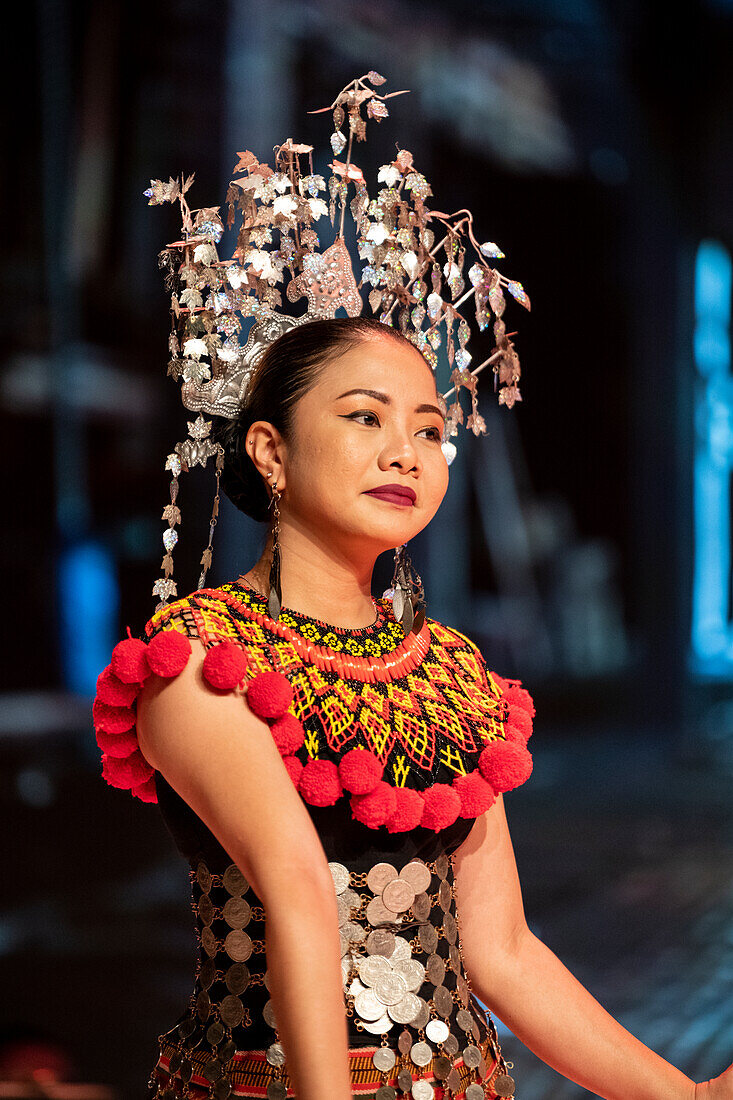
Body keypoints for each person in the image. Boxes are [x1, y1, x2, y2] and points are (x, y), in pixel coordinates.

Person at [92, 73, 732, 1100]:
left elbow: (503, 949)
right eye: (362, 416)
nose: (407, 450)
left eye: (429, 428)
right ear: (268, 449)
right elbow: (301, 900)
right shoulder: (206, 661)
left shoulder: (447, 673)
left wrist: (686, 1094)